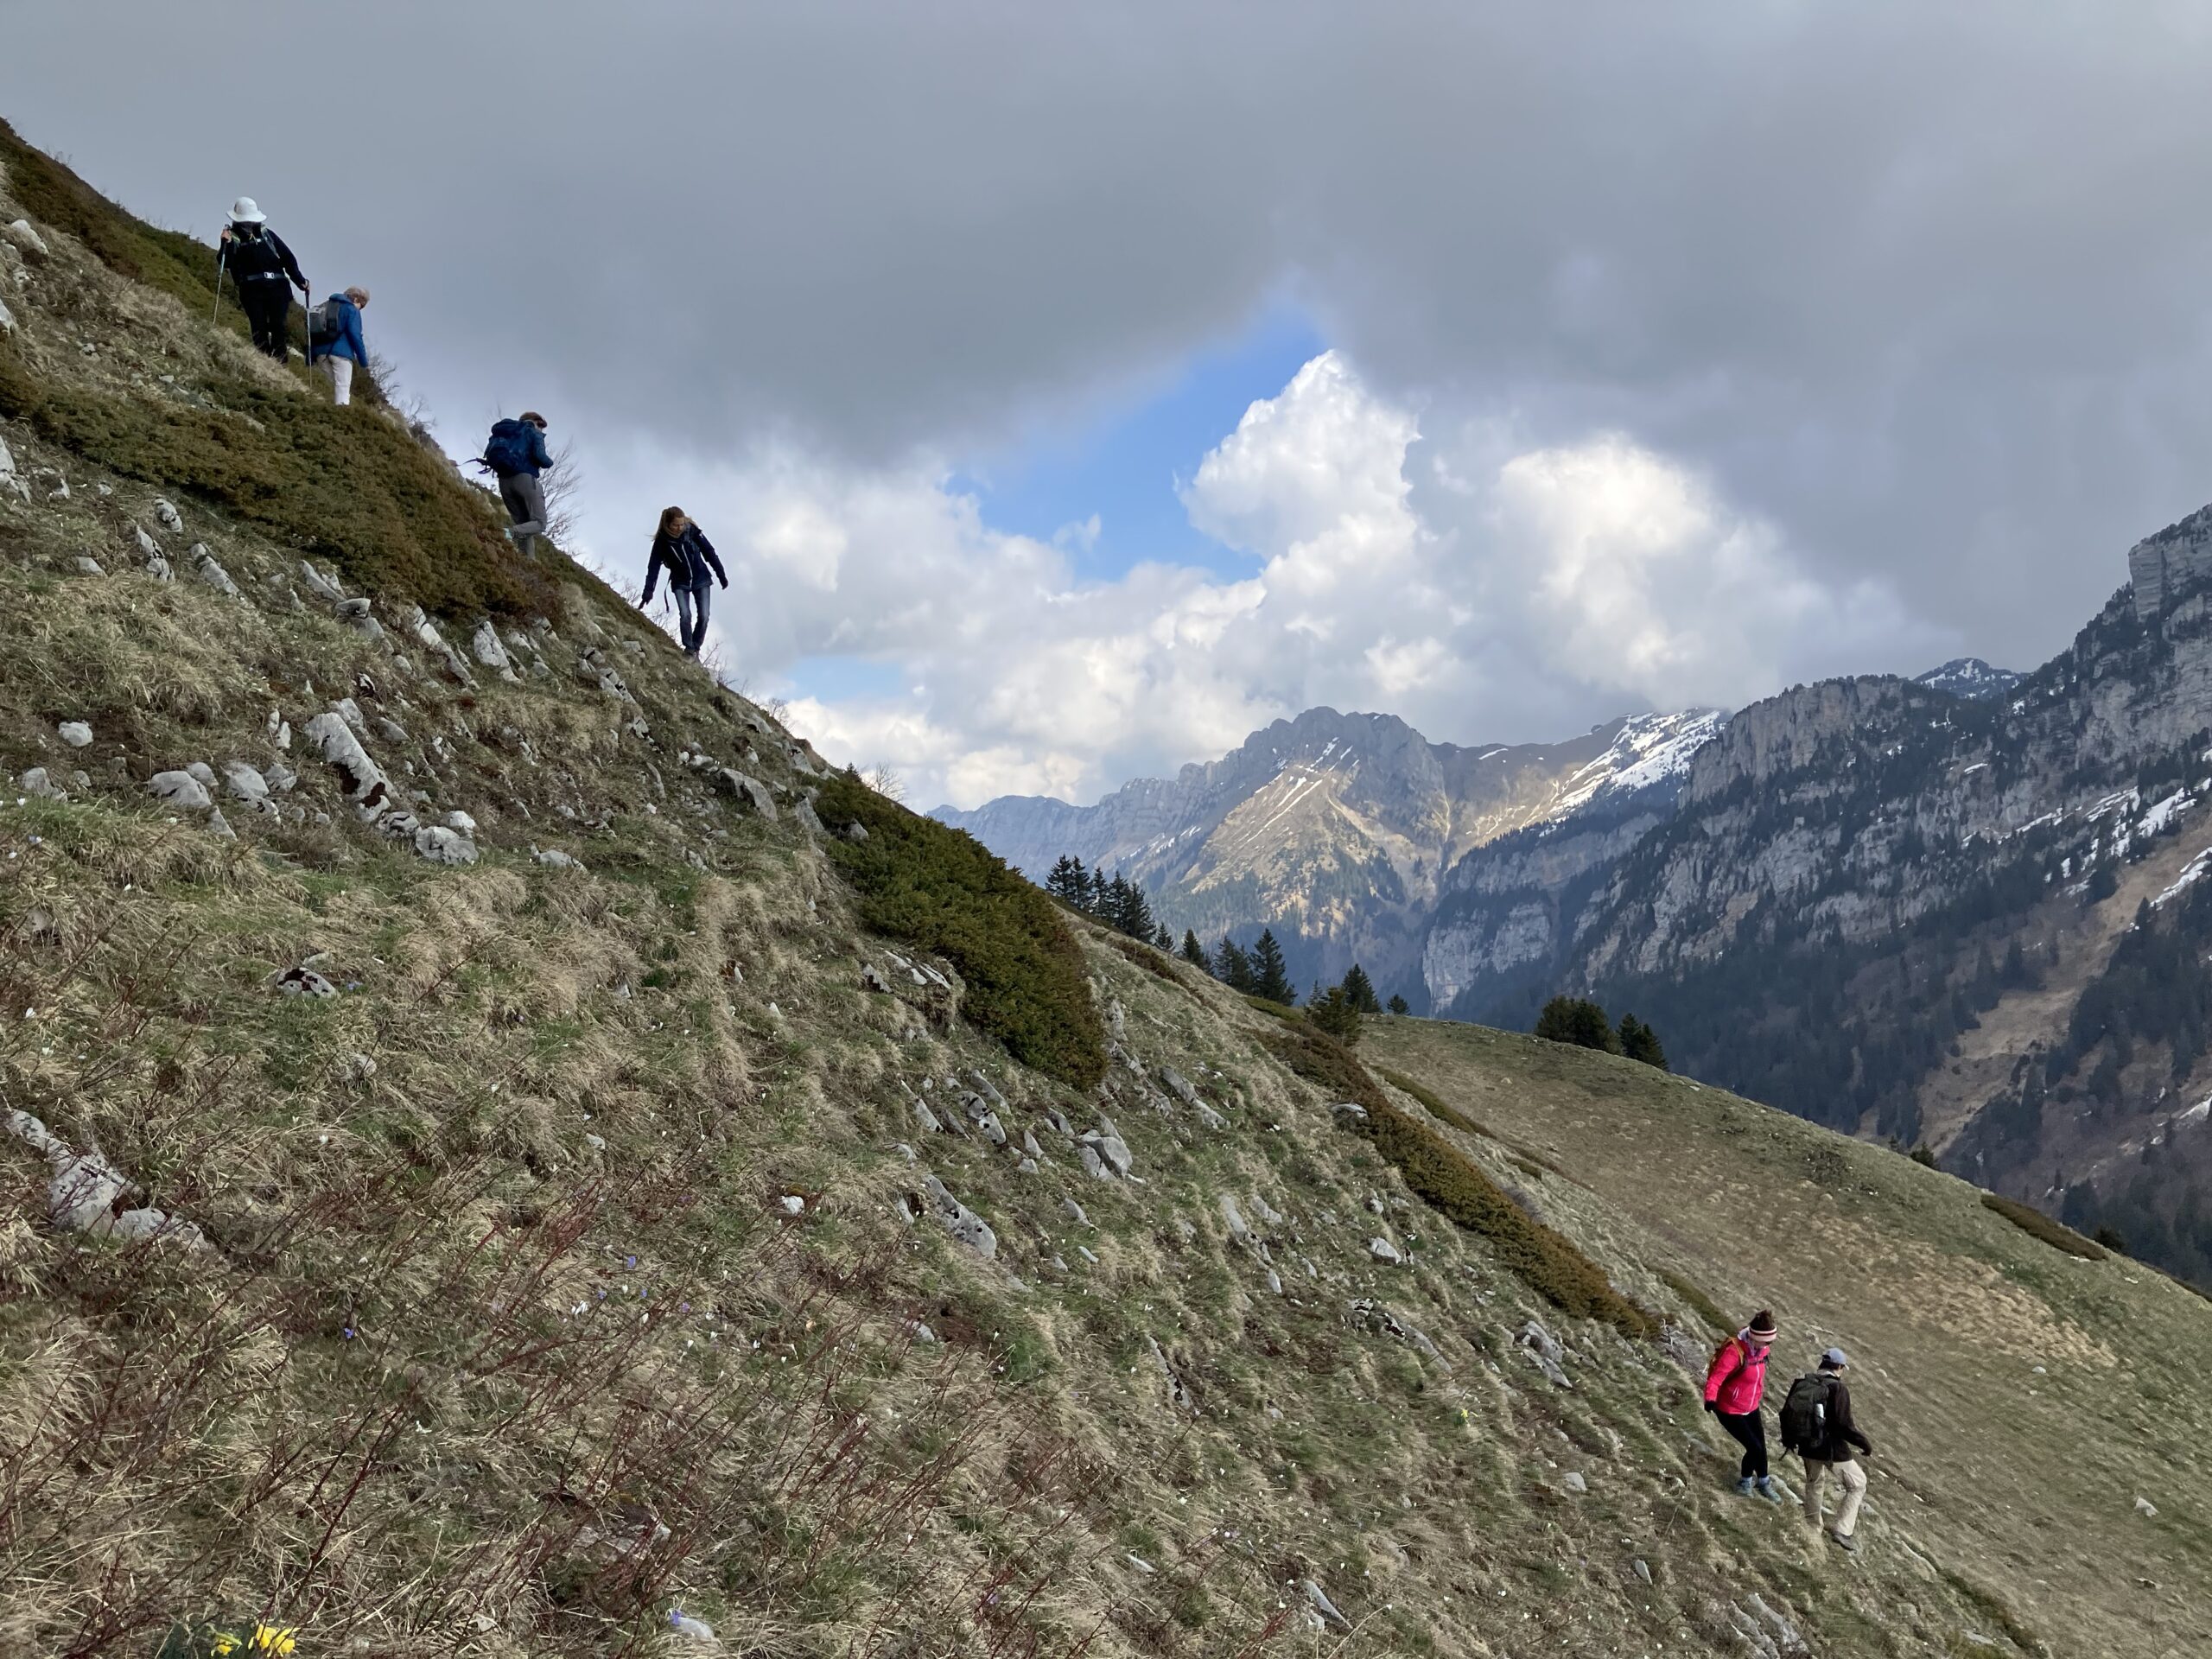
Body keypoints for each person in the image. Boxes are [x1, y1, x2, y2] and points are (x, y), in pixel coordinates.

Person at [1783, 1347, 1874, 1552]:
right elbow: (1844, 1424)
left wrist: (1789, 1440)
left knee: (1814, 1482)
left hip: (1806, 1444)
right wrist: (1864, 1443)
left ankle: (1813, 1526)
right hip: (1831, 1449)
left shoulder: (1803, 1382)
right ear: (1839, 1367)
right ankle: (1843, 1531)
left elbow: (1786, 1411)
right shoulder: (1837, 1389)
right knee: (1858, 1484)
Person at [1702, 1309, 1782, 1501]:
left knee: (1761, 1446)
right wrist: (1710, 1399)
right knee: (1754, 1447)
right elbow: (1716, 1378)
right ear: (1755, 1337)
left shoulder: (1762, 1350)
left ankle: (1764, 1482)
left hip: (1751, 1406)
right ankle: (1745, 1482)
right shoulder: (1734, 1352)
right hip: (1729, 1409)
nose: (1769, 1345)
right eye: (1766, 1341)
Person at [217, 198, 308, 360]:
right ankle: (264, 361)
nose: (249, 223)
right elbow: (225, 261)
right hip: (251, 290)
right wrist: (227, 243)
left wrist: (300, 281)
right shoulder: (232, 237)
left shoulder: (267, 234)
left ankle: (280, 363)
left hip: (278, 287)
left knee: (278, 326)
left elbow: (287, 257)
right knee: (259, 327)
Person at [641, 506, 728, 658]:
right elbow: (653, 566)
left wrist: (720, 573)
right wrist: (649, 590)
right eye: (676, 525)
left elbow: (709, 551)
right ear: (667, 524)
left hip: (701, 578)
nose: (680, 528)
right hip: (680, 581)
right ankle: (689, 649)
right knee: (685, 615)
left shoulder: (692, 531)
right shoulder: (662, 541)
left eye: (682, 524)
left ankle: (696, 648)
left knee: (704, 616)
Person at [483, 411, 554, 557]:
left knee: (523, 525)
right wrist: (550, 462)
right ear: (535, 421)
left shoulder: (507, 432)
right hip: (525, 480)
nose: (541, 429)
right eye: (541, 426)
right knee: (539, 523)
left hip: (504, 482)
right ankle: (505, 533)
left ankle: (527, 561)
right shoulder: (533, 432)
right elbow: (541, 458)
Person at [308, 288, 370, 405]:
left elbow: (312, 331)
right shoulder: (351, 309)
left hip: (321, 354)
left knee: (328, 388)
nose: (360, 310)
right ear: (356, 299)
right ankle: (341, 413)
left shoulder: (324, 306)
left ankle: (325, 410)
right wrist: (363, 362)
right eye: (361, 306)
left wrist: (310, 355)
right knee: (342, 388)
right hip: (342, 354)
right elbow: (356, 336)